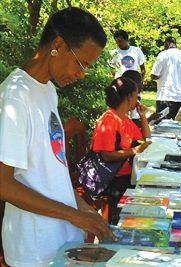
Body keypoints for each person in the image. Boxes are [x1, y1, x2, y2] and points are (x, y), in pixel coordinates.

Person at [0, 7, 115, 266]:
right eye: (80, 63)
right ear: (58, 44)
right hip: (34, 248)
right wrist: (74, 215)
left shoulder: (48, 91)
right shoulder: (15, 95)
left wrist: (83, 209)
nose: (81, 74)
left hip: (62, 240)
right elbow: (3, 184)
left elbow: (51, 171)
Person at [91, 77, 151, 224]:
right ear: (130, 97)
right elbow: (105, 156)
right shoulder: (109, 119)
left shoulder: (123, 118)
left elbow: (146, 137)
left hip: (122, 174)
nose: (138, 99)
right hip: (110, 179)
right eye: (137, 95)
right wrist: (135, 150)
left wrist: (142, 116)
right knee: (144, 193)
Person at [151, 36, 181, 119]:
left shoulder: (162, 55)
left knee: (163, 125)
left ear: (167, 44)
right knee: (178, 125)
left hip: (165, 96)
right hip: (180, 97)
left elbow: (154, 75)